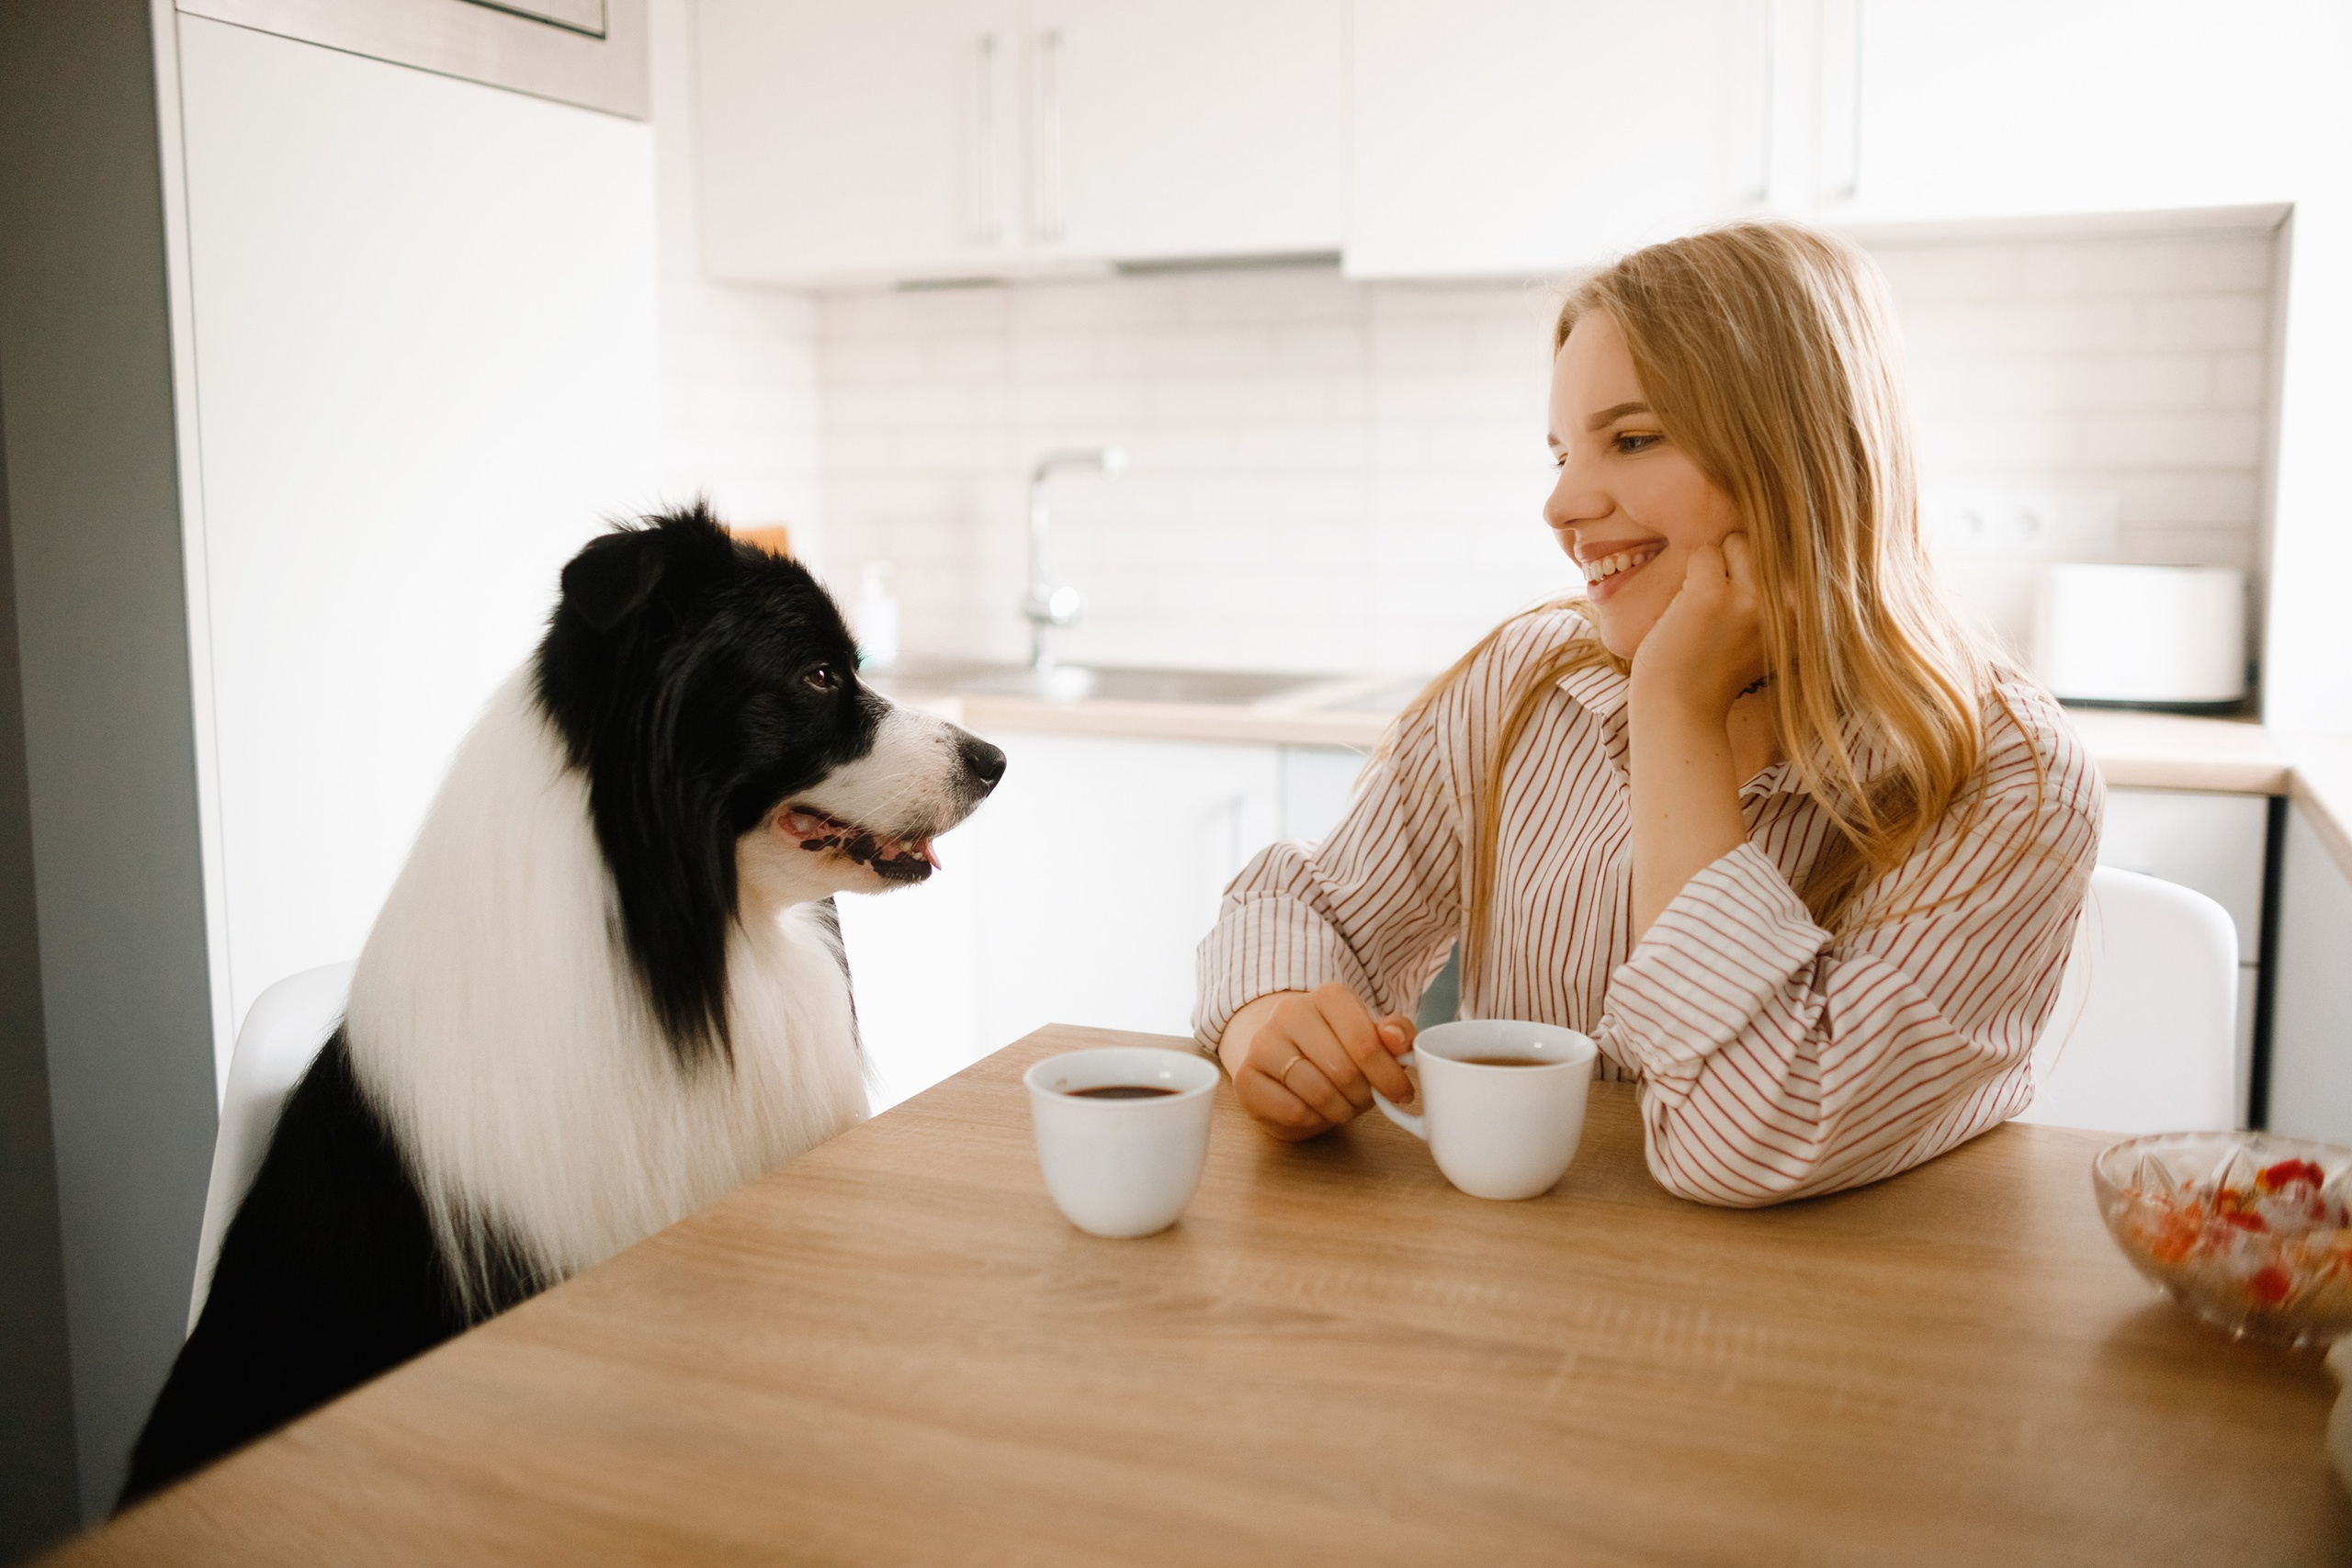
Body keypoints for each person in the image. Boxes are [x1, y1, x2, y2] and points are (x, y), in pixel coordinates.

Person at [1194, 221, 2101, 1207]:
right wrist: (1272, 1020)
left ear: (1801, 457)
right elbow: (1310, 906)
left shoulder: (2010, 774)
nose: (1561, 506)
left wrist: (1675, 708)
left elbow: (1740, 1141)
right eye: (1560, 454)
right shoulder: (1527, 680)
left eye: (1631, 440)